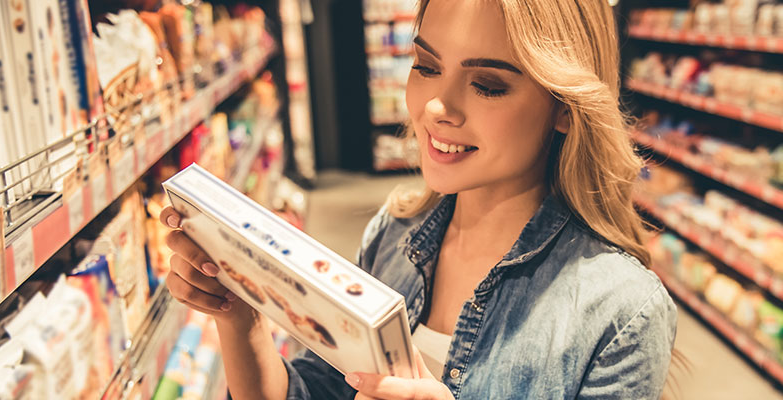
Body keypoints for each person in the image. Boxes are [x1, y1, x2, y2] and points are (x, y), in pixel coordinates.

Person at [158, 0, 679, 398]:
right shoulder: (393, 234)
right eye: (427, 66)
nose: (436, 106)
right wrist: (239, 314)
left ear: (565, 107)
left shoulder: (621, 313)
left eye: (488, 85)